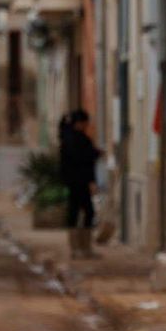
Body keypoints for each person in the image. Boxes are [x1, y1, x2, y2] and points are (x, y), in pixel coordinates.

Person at [58, 109, 101, 260]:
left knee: (75, 211)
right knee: (86, 211)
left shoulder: (69, 138)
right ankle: (82, 248)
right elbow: (84, 161)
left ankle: (78, 248)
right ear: (81, 123)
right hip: (80, 181)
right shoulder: (77, 140)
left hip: (73, 181)